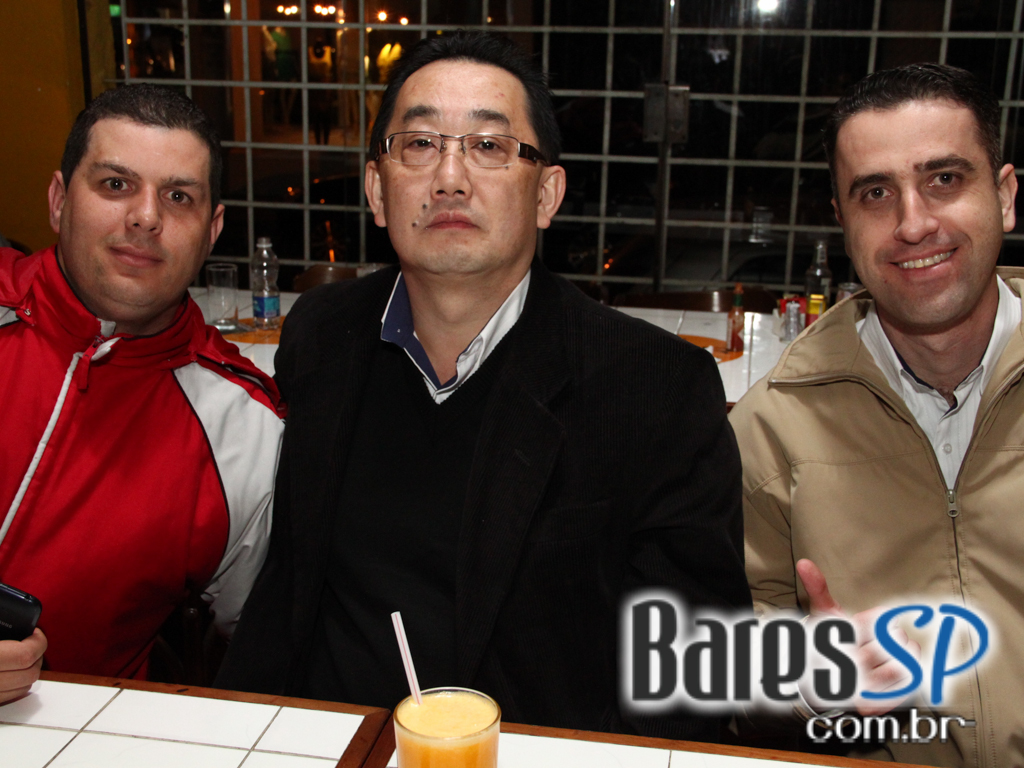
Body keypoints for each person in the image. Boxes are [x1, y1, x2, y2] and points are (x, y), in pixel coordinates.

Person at [217, 31, 750, 740]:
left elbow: (688, 673)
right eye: (419, 144)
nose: (450, 177)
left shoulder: (657, 387)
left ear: (546, 194)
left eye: (490, 146)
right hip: (329, 742)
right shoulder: (323, 334)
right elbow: (287, 587)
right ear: (377, 190)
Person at [730, 63, 1022, 767]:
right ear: (842, 220)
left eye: (944, 179)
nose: (913, 224)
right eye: (876, 193)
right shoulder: (771, 426)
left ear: (1005, 196)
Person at [0, 84, 285, 702]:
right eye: (116, 184)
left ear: (212, 230)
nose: (146, 217)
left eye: (178, 197)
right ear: (59, 201)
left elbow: (262, 646)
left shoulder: (243, 426)